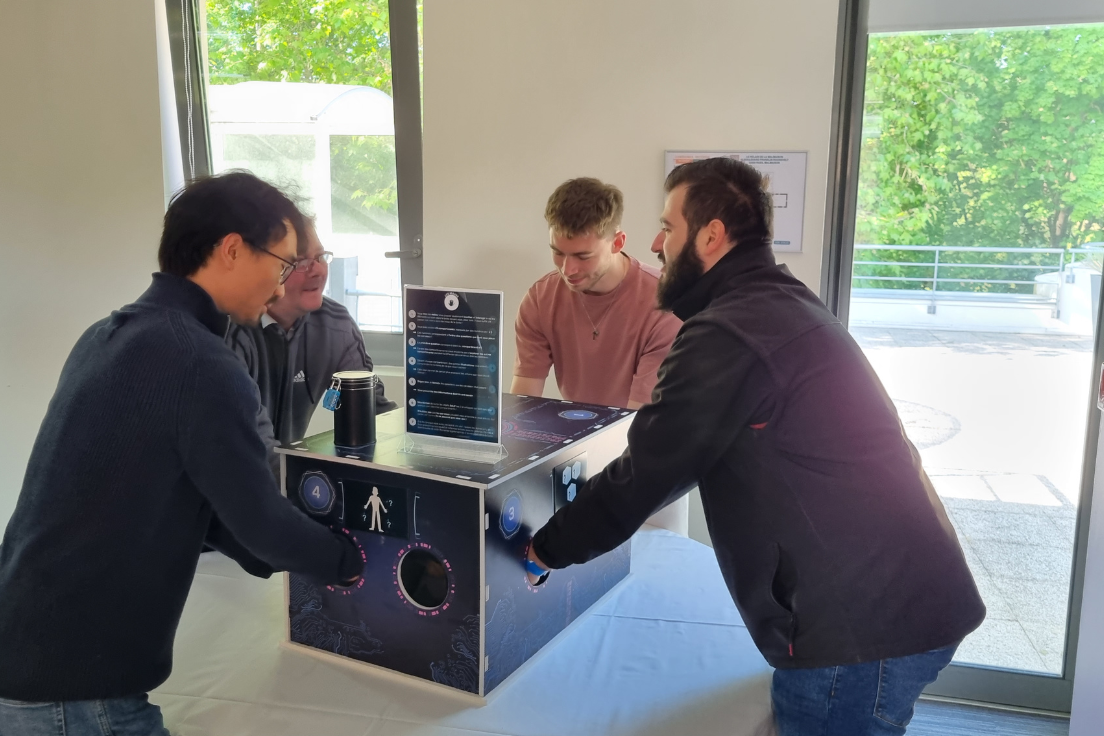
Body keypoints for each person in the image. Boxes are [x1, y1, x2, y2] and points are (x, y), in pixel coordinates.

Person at [525, 158, 985, 735]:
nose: (655, 243)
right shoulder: (772, 301)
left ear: (711, 235)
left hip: (859, 630)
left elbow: (652, 465)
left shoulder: (730, 330)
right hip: (899, 599)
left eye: (668, 227)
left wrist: (543, 549)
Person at [0, 172, 364, 735]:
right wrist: (353, 562)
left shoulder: (109, 334)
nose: (281, 284)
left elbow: (191, 499)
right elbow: (262, 521)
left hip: (25, 659)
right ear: (233, 250)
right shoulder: (199, 361)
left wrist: (259, 557)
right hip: (75, 694)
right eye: (283, 262)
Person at [511, 177, 682, 410]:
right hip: (577, 431)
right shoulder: (540, 299)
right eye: (558, 253)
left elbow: (639, 418)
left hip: (640, 434)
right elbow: (524, 401)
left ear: (618, 242)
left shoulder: (665, 303)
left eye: (583, 257)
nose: (567, 269)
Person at [226, 217, 396, 450]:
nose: (317, 270)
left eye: (320, 257)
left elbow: (374, 412)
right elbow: (240, 442)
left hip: (282, 473)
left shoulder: (336, 324)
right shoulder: (231, 329)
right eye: (301, 261)